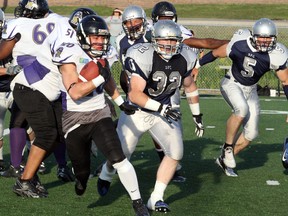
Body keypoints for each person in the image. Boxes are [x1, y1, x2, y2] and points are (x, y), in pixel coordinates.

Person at [52, 14, 149, 216]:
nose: (100, 42)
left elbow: (108, 80)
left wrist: (121, 102)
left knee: (118, 158)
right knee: (83, 171)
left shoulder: (106, 53)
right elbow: (75, 92)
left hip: (99, 113)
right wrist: (98, 79)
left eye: (103, 38)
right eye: (95, 38)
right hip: (74, 118)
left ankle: (138, 202)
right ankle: (80, 180)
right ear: (82, 37)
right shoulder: (69, 54)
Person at [100, 20, 201, 213]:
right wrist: (161, 109)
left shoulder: (185, 56)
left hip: (163, 111)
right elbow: (134, 94)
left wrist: (197, 115)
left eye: (173, 41)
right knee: (122, 155)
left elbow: (189, 86)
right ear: (154, 40)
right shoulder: (143, 55)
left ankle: (156, 197)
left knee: (176, 153)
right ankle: (107, 171)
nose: (170, 45)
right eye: (165, 40)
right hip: (138, 112)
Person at [0, 0, 79, 197]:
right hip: (31, 83)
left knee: (61, 132)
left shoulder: (19, 24)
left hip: (44, 82)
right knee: (46, 132)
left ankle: (29, 171)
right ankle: (24, 179)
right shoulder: (60, 22)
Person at [196, 18, 288, 177]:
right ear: (253, 36)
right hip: (231, 83)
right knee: (241, 109)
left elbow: (286, 81)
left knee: (251, 134)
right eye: (262, 37)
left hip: (251, 90)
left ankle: (223, 160)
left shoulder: (276, 54)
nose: (265, 42)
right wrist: (198, 65)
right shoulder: (240, 42)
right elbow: (217, 52)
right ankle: (227, 147)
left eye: (269, 38)